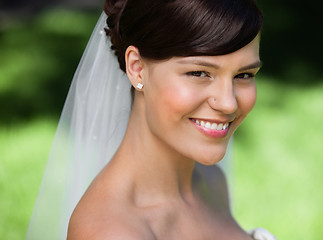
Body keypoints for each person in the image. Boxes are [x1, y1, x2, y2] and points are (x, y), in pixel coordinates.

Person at [26, 0, 277, 239]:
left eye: (244, 75)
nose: (228, 103)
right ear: (137, 68)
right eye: (199, 73)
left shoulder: (210, 181)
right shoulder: (112, 232)